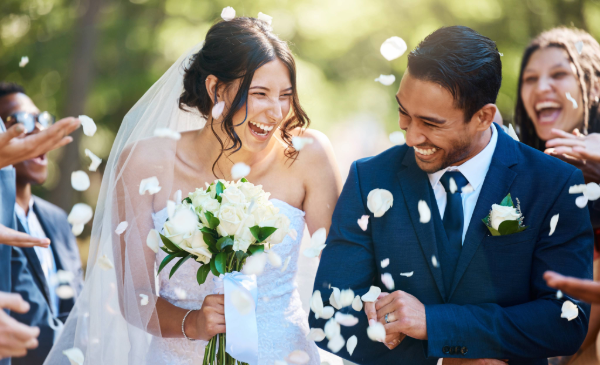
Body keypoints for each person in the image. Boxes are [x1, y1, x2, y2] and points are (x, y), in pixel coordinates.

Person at [45, 17, 343, 365]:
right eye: (260, 94)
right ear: (216, 88)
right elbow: (134, 297)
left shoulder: (307, 156)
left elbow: (343, 269)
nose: (276, 112)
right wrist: (192, 323)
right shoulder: (144, 162)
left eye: (285, 96)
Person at [311, 26, 593, 365]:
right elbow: (327, 315)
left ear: (483, 117)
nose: (412, 136)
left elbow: (566, 320)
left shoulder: (555, 183)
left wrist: (434, 324)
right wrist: (449, 359)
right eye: (404, 113)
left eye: (431, 123)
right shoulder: (368, 178)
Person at [513, 27, 600, 364]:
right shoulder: (514, 176)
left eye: (559, 74)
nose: (542, 87)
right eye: (530, 78)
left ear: (593, 88)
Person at [0, 83, 84, 365]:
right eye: (20, 121)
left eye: (41, 119)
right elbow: (34, 326)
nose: (38, 131)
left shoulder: (57, 219)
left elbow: (76, 305)